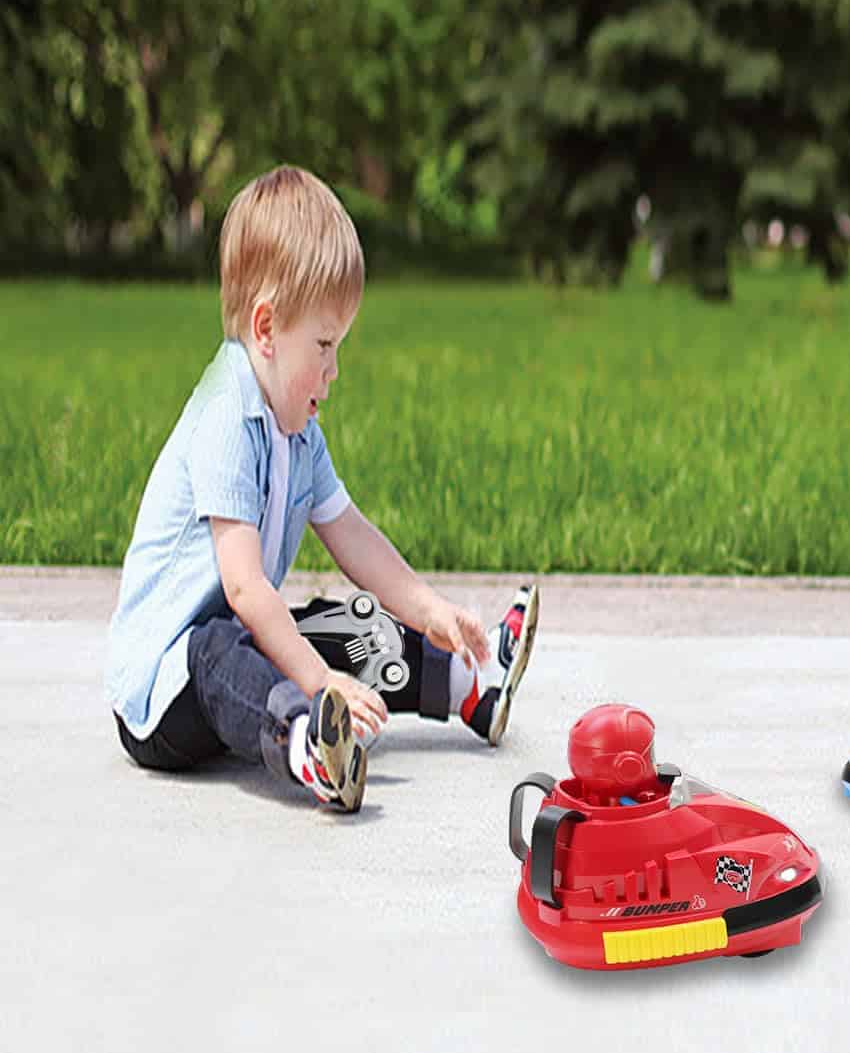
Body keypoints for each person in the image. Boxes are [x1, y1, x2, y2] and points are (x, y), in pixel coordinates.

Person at [104, 165, 537, 813]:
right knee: (225, 648)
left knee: (339, 622)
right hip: (164, 694)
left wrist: (428, 608)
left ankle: (468, 680)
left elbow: (353, 535)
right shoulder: (226, 416)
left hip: (238, 648)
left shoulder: (300, 432)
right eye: (325, 345)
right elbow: (244, 589)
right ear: (266, 329)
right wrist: (317, 683)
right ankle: (308, 742)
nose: (334, 371)